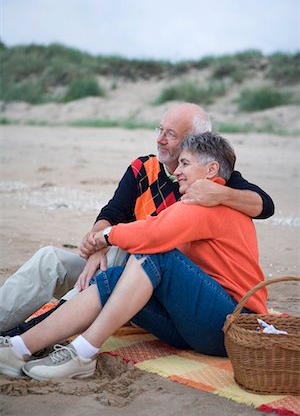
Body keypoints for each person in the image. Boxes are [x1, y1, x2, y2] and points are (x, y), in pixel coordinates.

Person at [0, 132, 268, 380]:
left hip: (235, 324)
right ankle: (19, 348)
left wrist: (105, 237)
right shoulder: (192, 198)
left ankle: (83, 352)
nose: (177, 171)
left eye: (185, 163)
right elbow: (130, 217)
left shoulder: (209, 203)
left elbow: (153, 233)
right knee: (115, 277)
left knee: (156, 255)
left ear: (211, 170)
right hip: (195, 328)